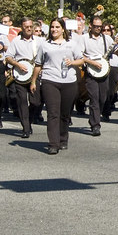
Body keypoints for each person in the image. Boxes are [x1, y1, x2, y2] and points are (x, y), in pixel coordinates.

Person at [32, 18, 85, 154]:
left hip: (68, 81)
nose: (54, 30)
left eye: (57, 27)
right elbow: (38, 64)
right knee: (53, 113)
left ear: (63, 29)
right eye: (52, 27)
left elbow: (81, 60)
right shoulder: (45, 45)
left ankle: (63, 138)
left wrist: (72, 62)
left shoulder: (71, 44)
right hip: (50, 80)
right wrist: (33, 81)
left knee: (65, 113)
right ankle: (53, 143)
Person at [5, 17, 43, 138]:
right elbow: (8, 57)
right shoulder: (16, 41)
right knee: (21, 101)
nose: (29, 29)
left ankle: (29, 120)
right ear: (22, 27)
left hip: (34, 76)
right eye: (26, 27)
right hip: (20, 76)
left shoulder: (39, 41)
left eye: (31, 27)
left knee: (36, 102)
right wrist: (17, 64)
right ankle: (25, 128)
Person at [80, 15, 117, 137]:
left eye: (100, 27)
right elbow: (79, 56)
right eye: (95, 26)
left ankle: (95, 116)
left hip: (104, 72)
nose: (98, 29)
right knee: (94, 98)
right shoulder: (84, 38)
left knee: (103, 98)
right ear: (90, 25)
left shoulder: (107, 39)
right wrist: (91, 62)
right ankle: (95, 124)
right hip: (91, 73)